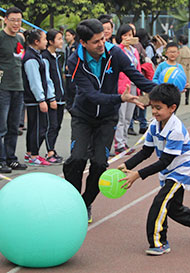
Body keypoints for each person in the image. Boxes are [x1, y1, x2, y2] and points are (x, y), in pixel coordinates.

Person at [63, 19, 156, 223]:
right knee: (77, 159)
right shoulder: (74, 61)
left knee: (99, 163)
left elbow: (136, 76)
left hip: (107, 118)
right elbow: (91, 95)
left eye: (103, 39)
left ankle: (85, 203)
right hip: (83, 115)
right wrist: (120, 98)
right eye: (96, 41)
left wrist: (162, 93)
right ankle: (72, 201)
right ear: (83, 43)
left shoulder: (114, 53)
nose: (101, 44)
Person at [118, 84, 190, 256]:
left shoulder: (176, 130)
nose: (155, 112)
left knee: (160, 202)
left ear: (172, 108)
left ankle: (159, 243)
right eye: (153, 107)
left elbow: (165, 161)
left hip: (181, 170)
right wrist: (128, 165)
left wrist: (138, 175)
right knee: (173, 208)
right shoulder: (154, 125)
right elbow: (146, 151)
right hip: (168, 170)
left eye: (159, 108)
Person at [0, 7, 28, 173]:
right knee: (0, 126)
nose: (16, 23)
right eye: (13, 20)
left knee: (13, 126)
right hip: (2, 88)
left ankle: (11, 158)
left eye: (19, 20)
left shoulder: (20, 39)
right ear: (5, 20)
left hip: (18, 87)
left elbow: (20, 62)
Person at [22, 29, 53, 167]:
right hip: (34, 99)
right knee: (38, 127)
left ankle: (30, 153)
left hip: (35, 99)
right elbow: (34, 81)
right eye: (44, 39)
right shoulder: (30, 58)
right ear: (36, 41)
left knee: (35, 126)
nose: (46, 42)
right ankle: (34, 154)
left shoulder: (36, 55)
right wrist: (41, 99)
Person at [113, 24, 141, 155]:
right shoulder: (118, 50)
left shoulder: (134, 51)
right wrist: (122, 45)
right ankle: (119, 144)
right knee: (121, 116)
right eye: (125, 35)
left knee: (128, 117)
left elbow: (138, 68)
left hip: (134, 85)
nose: (128, 37)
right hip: (122, 87)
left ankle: (124, 141)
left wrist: (141, 85)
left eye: (130, 35)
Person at [42, 29, 66, 164]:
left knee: (58, 126)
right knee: (52, 125)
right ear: (51, 41)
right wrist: (51, 98)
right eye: (58, 39)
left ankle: (52, 149)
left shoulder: (57, 56)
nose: (61, 41)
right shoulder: (45, 57)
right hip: (52, 98)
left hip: (61, 97)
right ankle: (49, 151)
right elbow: (47, 79)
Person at [64, 29, 78, 110]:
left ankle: (74, 105)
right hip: (67, 72)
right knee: (68, 89)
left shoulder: (76, 46)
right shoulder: (67, 47)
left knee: (73, 89)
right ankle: (68, 105)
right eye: (66, 35)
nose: (67, 37)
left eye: (69, 35)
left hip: (74, 72)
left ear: (73, 36)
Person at [177, 35, 190, 105]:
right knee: (188, 84)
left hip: (181, 68)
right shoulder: (189, 50)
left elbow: (177, 61)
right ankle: (187, 98)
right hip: (188, 68)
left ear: (180, 42)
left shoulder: (180, 51)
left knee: (179, 84)